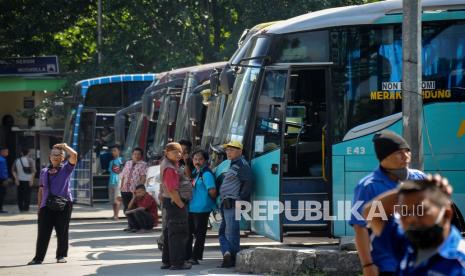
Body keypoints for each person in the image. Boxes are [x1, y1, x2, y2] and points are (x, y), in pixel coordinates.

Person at [349, 130, 425, 276]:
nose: (406, 156)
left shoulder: (419, 178)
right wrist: (367, 265)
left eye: (407, 151)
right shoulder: (369, 187)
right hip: (388, 265)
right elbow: (361, 229)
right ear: (383, 158)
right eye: (398, 153)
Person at [364, 176, 465, 275]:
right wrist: (403, 193)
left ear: (446, 214)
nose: (411, 218)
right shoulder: (406, 244)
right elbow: (371, 213)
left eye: (421, 210)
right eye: (404, 212)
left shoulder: (460, 260)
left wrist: (430, 191)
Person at [28, 143, 77, 265]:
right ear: (49, 157)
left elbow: (74, 154)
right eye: (53, 155)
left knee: (62, 232)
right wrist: (39, 207)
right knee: (43, 233)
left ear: (62, 158)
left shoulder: (66, 169)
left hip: (63, 204)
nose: (55, 157)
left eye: (58, 155)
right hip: (46, 206)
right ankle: (38, 258)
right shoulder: (44, 171)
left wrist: (64, 146)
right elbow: (41, 189)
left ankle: (60, 255)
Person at [218, 140, 252, 268]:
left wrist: (240, 199)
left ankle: (232, 259)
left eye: (231, 150)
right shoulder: (232, 164)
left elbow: (248, 183)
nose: (228, 152)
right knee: (223, 232)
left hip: (233, 203)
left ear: (240, 151)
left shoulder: (242, 165)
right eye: (227, 150)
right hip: (226, 203)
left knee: (231, 232)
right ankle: (228, 254)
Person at [160, 142, 192, 270]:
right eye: (174, 152)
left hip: (171, 201)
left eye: (180, 152)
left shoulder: (170, 163)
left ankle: (167, 261)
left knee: (170, 231)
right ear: (167, 153)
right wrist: (180, 204)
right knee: (178, 233)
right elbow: (172, 189)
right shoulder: (170, 167)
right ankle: (178, 262)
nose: (178, 154)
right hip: (175, 202)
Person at [186, 149, 217, 265]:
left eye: (200, 159)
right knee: (189, 233)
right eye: (195, 159)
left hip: (202, 209)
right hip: (192, 207)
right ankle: (187, 255)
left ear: (205, 160)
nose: (197, 161)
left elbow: (212, 191)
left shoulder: (206, 174)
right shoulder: (196, 172)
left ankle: (195, 257)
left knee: (199, 235)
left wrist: (209, 202)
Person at [120, 147, 147, 230]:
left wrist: (140, 189)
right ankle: (130, 225)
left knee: (134, 208)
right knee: (126, 208)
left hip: (134, 191)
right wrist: (121, 187)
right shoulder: (128, 163)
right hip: (125, 189)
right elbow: (123, 176)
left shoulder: (143, 164)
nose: (136, 156)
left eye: (139, 154)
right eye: (135, 154)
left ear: (141, 156)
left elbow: (143, 177)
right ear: (132, 155)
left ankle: (136, 226)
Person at [108, 145, 123, 220]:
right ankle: (114, 214)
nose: (113, 152)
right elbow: (110, 171)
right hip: (111, 181)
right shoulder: (111, 162)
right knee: (112, 200)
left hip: (118, 181)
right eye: (112, 151)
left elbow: (121, 171)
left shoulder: (121, 160)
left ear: (119, 151)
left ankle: (116, 215)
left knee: (117, 199)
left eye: (115, 150)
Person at [0, 146, 9, 213]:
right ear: (2, 152)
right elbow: (3, 171)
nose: (7, 153)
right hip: (1, 179)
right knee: (2, 193)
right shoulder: (2, 160)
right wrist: (5, 179)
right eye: (6, 151)